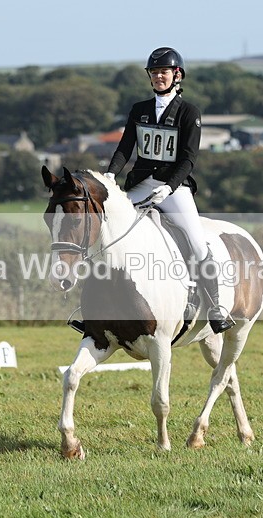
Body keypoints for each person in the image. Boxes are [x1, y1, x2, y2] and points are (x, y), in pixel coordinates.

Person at [104, 46, 233, 334]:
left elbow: (188, 158)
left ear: (177, 75)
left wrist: (169, 187)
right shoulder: (140, 110)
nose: (158, 77)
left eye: (163, 72)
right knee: (109, 231)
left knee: (198, 243)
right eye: (154, 72)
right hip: (140, 185)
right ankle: (96, 307)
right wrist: (111, 174)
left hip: (174, 188)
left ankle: (215, 306)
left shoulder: (189, 112)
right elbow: (126, 148)